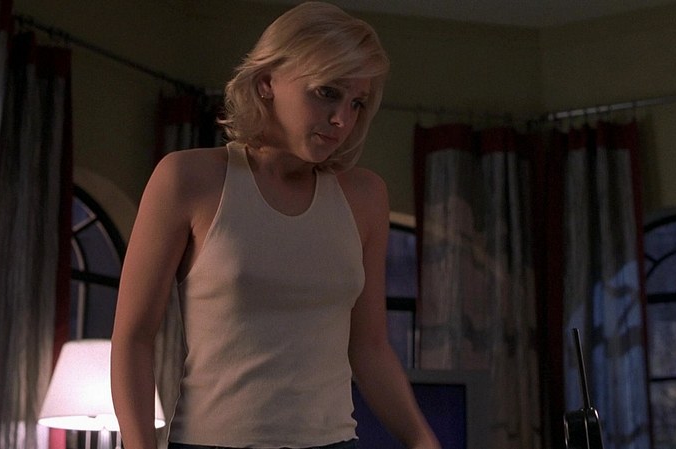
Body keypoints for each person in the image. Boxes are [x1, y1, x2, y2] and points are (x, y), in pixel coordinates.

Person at [110, 2, 441, 449]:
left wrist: (422, 440)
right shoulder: (188, 179)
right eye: (327, 92)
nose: (342, 119)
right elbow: (133, 338)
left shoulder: (365, 197)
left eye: (357, 103)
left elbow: (370, 347)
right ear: (267, 82)